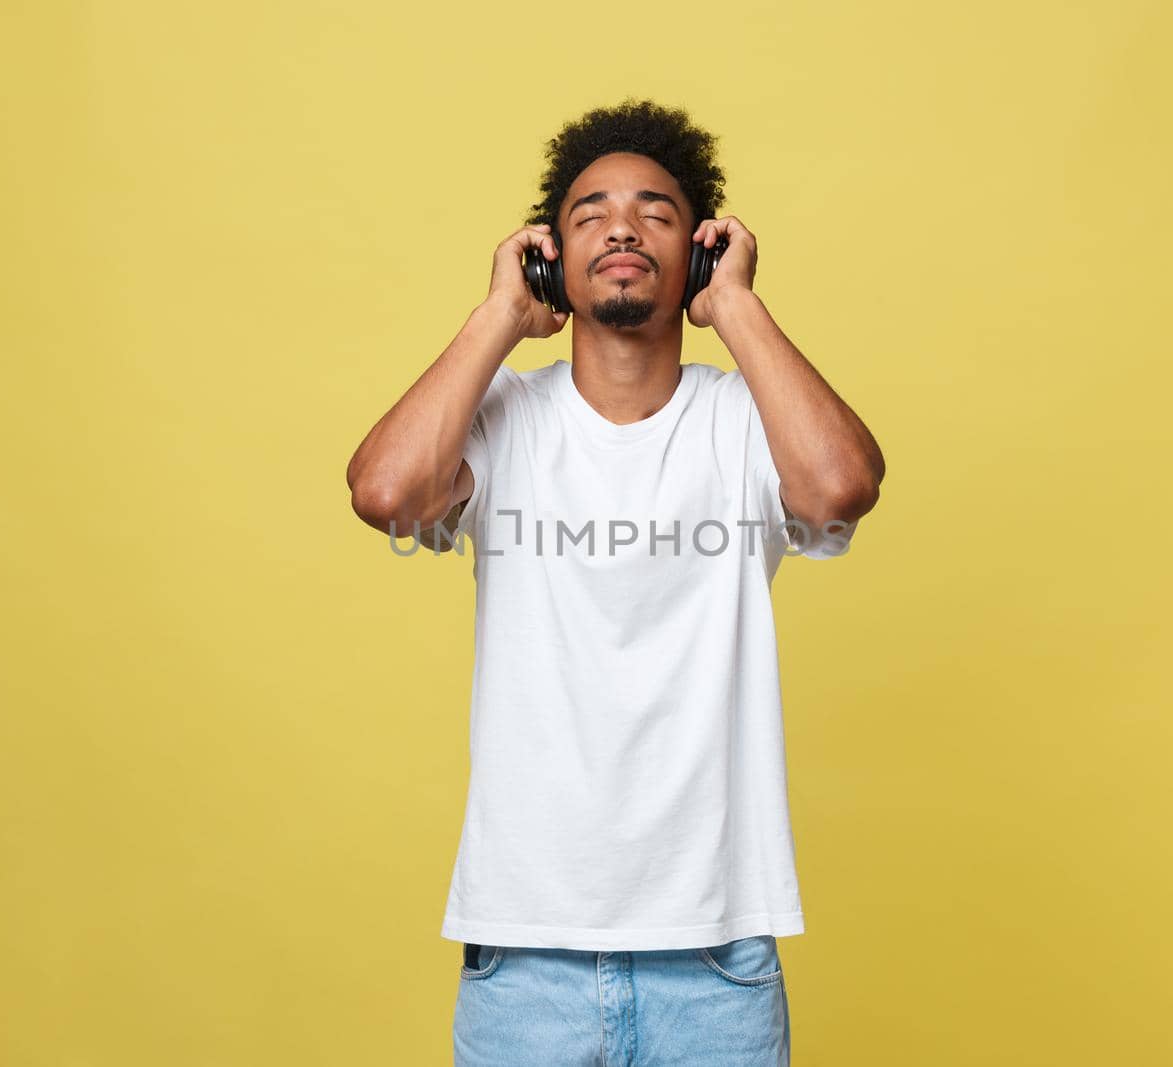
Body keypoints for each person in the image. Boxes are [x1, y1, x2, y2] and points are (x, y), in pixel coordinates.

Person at [346, 98, 885, 1066]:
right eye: (589, 215)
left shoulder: (743, 419)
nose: (623, 229)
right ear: (549, 256)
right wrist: (498, 317)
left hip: (714, 950)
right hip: (525, 949)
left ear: (701, 256)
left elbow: (839, 486)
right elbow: (387, 493)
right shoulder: (502, 415)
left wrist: (741, 308)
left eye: (657, 213)